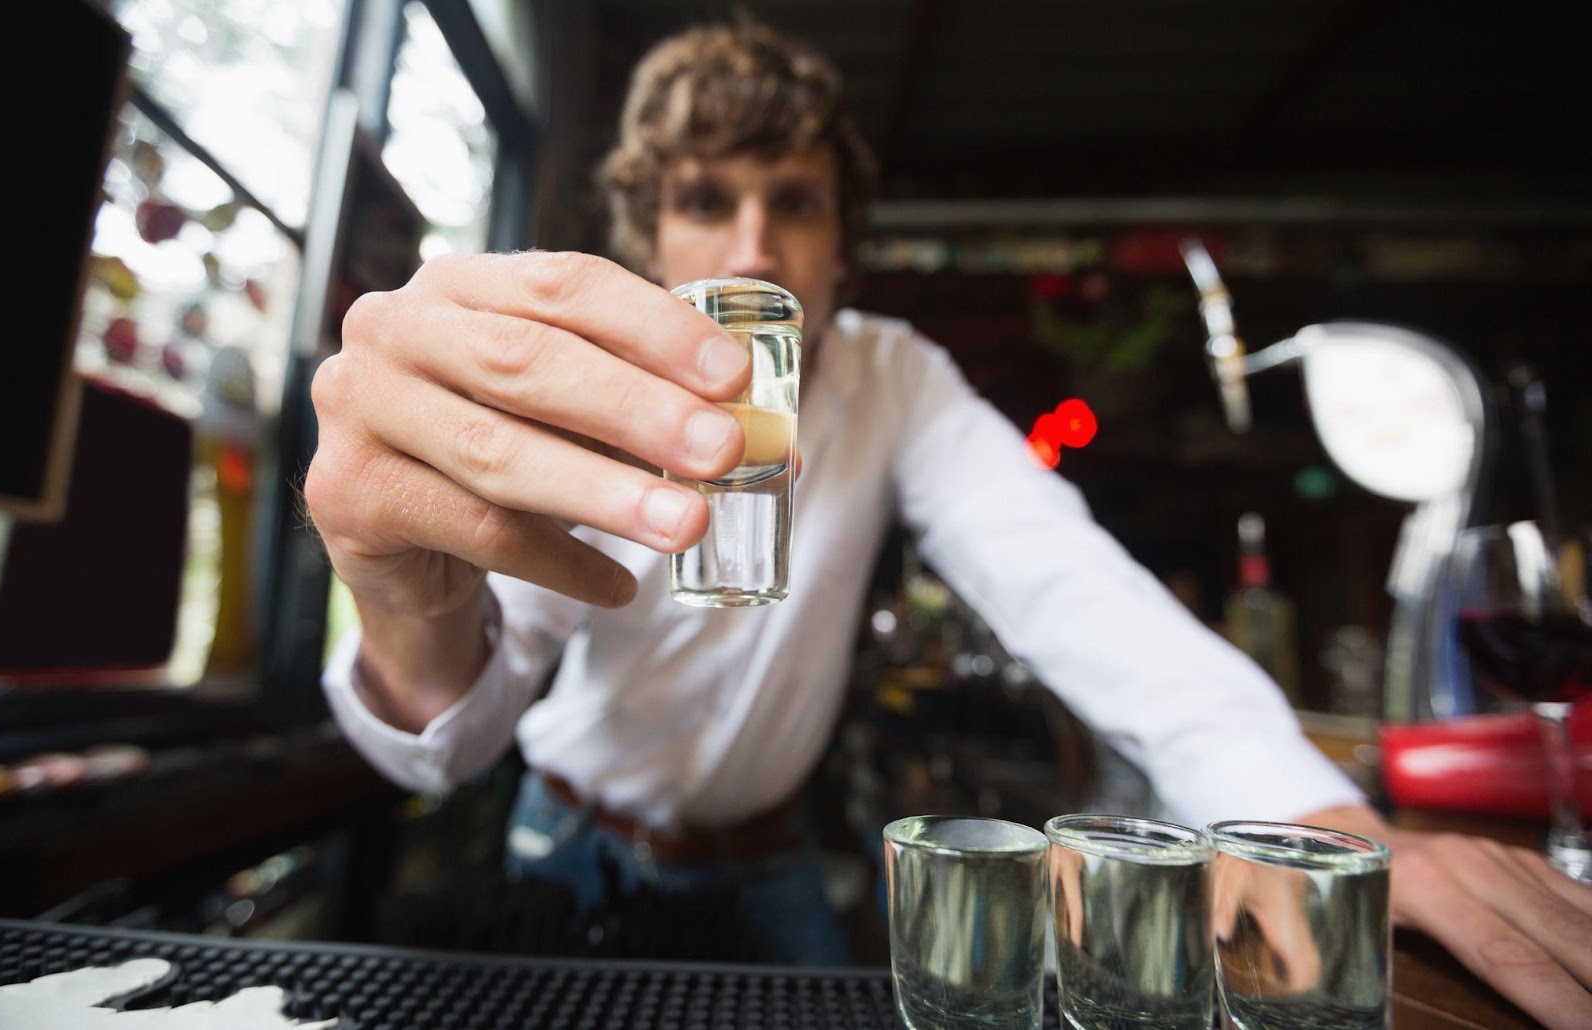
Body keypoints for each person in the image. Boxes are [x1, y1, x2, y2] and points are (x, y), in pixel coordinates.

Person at [306, 20, 1592, 1024]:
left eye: (792, 201)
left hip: (770, 869)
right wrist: (400, 592)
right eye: (706, 200)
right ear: (649, 232)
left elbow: (1070, 586)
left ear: (841, 246)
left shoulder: (891, 377)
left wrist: (1321, 826)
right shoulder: (573, 387)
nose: (750, 241)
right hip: (562, 845)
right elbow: (450, 732)